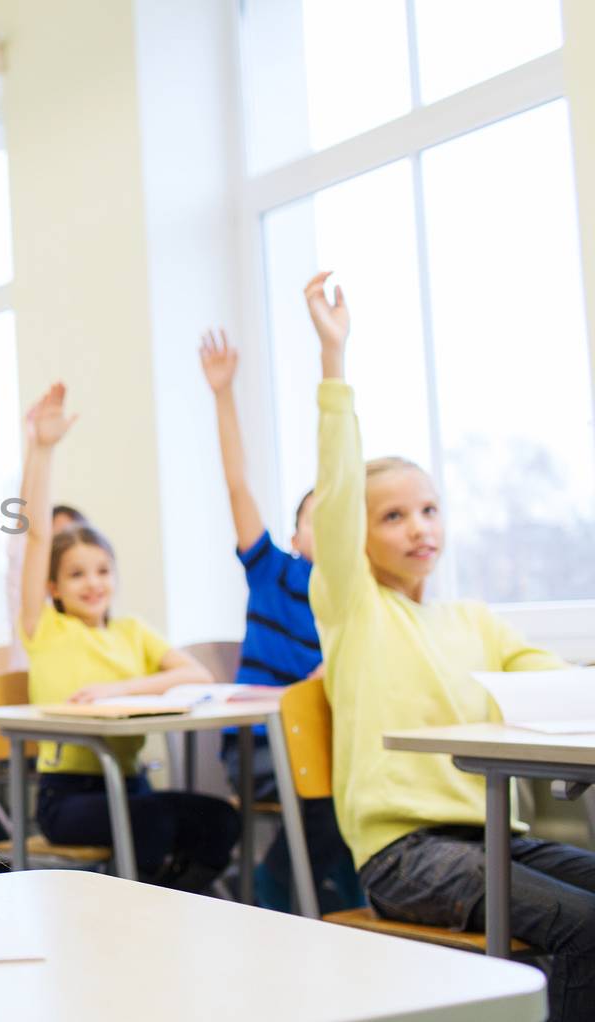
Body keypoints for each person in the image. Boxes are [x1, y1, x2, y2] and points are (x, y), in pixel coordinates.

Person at [306, 270, 595, 1021]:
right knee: (584, 931)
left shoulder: (474, 620)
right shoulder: (355, 608)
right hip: (406, 857)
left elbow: (552, 678)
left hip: (496, 833)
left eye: (428, 509)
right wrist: (335, 366)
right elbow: (335, 502)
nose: (419, 527)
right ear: (359, 541)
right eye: (393, 517)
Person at [19, 383, 238, 892]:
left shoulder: (132, 631)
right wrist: (42, 449)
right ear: (53, 586)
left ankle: (176, 899)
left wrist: (119, 690)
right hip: (68, 798)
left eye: (102, 570)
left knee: (220, 820)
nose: (93, 583)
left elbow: (196, 675)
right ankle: (139, 905)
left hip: (133, 784)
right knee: (155, 823)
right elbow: (34, 537)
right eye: (76, 575)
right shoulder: (45, 628)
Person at [198, 327, 359, 913]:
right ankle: (276, 883)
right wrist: (223, 394)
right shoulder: (274, 572)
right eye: (318, 519)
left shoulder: (356, 599)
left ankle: (346, 894)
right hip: (265, 747)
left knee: (362, 786)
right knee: (327, 797)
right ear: (296, 536)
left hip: (334, 743)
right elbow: (237, 483)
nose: (332, 530)